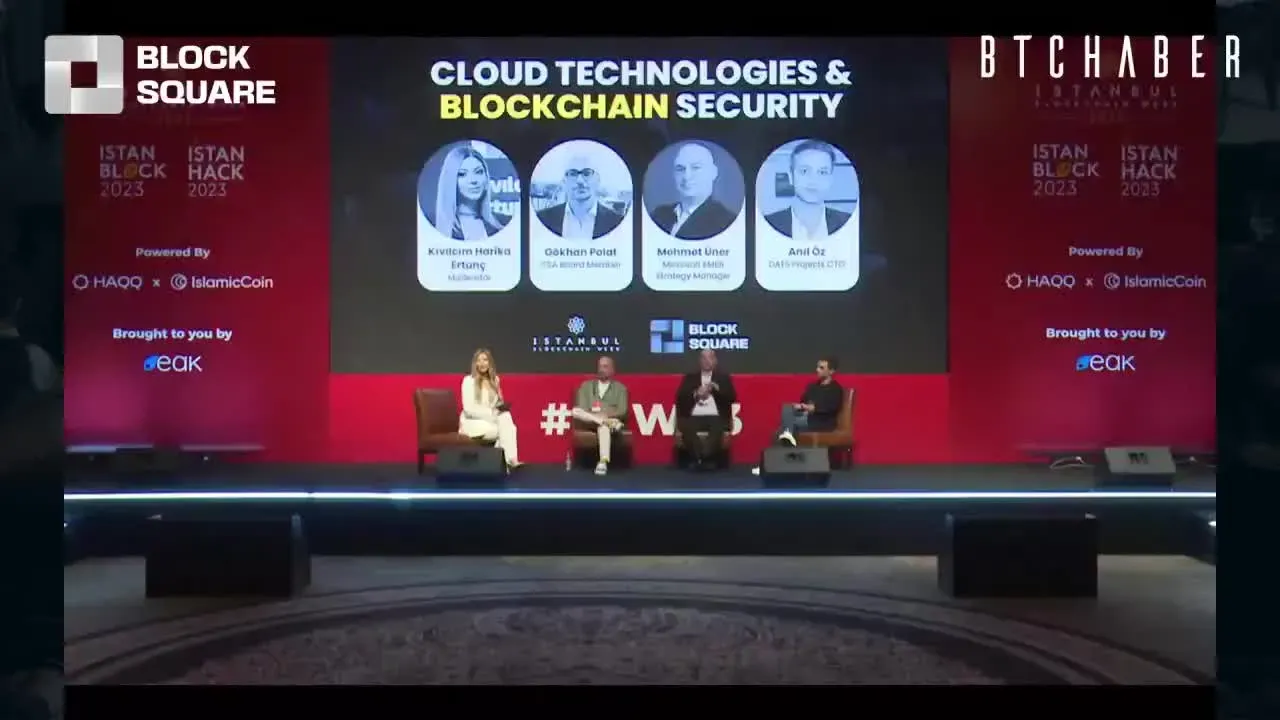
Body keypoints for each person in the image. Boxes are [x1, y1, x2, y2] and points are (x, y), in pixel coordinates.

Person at [751, 357, 845, 475]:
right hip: (808, 417)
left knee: (781, 431)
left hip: (823, 422)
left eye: (821, 368)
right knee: (787, 409)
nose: (817, 370)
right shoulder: (813, 386)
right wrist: (801, 407)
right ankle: (783, 445)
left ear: (831, 371)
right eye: (817, 367)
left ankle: (770, 465)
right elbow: (804, 400)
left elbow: (832, 408)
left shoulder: (836, 389)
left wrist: (813, 408)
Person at [763, 140, 854, 242]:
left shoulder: (849, 224)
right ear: (791, 176)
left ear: (830, 179)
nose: (813, 180)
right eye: (804, 171)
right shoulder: (768, 224)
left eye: (822, 172)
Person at [649, 142, 736, 240]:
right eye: (680, 169)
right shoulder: (659, 214)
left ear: (713, 172)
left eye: (696, 168)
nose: (687, 177)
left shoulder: (725, 221)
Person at [535, 152, 626, 239]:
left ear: (598, 180)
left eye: (587, 173)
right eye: (572, 174)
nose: (580, 181)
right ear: (564, 182)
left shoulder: (618, 222)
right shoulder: (542, 219)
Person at [458, 348, 522, 470]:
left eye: (485, 360)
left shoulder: (495, 380)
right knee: (506, 431)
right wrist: (491, 413)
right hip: (473, 422)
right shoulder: (468, 381)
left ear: (490, 363)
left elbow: (496, 403)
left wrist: (500, 406)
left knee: (506, 417)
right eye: (479, 360)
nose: (482, 363)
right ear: (475, 363)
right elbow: (468, 409)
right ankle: (505, 462)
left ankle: (508, 461)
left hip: (492, 420)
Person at [432, 144, 511, 240]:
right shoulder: (435, 230)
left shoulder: (505, 223)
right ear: (450, 180)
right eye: (462, 174)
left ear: (486, 178)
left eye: (478, 172)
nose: (473, 180)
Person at [674, 349, 737, 470]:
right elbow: (680, 398)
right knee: (686, 425)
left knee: (718, 426)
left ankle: (701, 458)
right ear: (699, 361)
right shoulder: (690, 378)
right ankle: (704, 458)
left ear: (715, 361)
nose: (707, 361)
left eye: (710, 358)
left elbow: (732, 397)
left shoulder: (723, 378)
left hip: (716, 416)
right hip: (694, 415)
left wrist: (717, 390)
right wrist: (696, 394)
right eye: (704, 358)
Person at [570, 355, 630, 476]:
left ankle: (603, 462)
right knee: (575, 411)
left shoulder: (620, 389)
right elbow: (582, 408)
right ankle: (604, 421)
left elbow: (622, 410)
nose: (602, 369)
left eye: (605, 367)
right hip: (590, 422)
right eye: (600, 366)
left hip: (609, 421)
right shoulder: (586, 386)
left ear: (612, 370)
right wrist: (599, 417)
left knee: (603, 428)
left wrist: (604, 414)